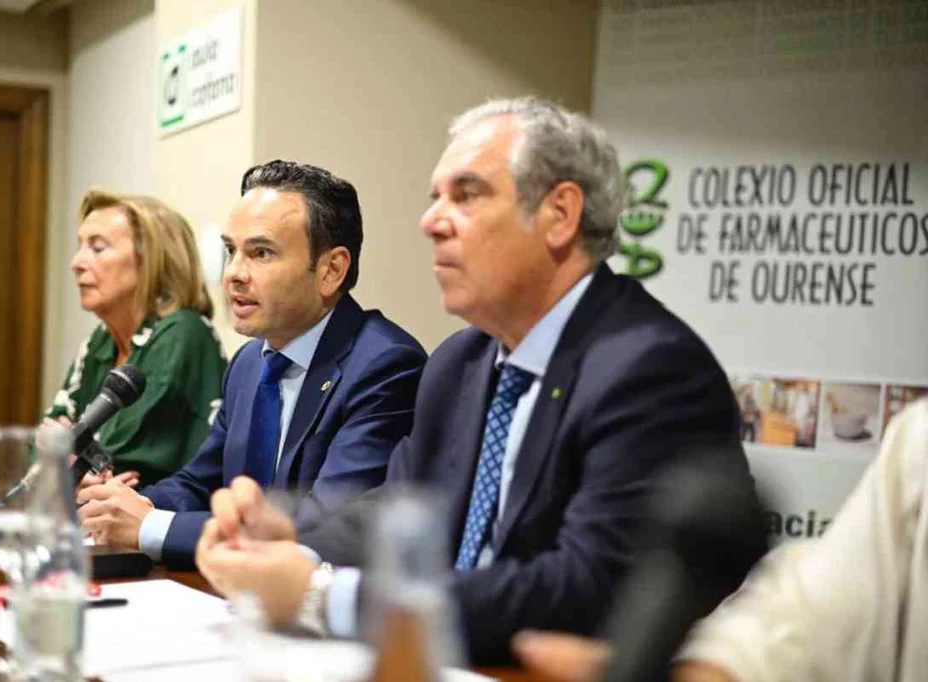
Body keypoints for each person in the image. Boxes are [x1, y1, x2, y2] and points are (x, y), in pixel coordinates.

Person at [192, 97, 749, 665]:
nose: (430, 221)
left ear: (560, 214)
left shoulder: (651, 370)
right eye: (436, 197)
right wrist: (286, 534)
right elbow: (397, 510)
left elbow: (588, 588)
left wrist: (326, 596)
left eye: (467, 194)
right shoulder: (461, 361)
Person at [77, 161, 427, 567]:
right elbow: (199, 484)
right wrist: (118, 506)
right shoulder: (248, 362)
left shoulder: (385, 365)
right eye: (231, 251)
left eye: (261, 253)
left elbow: (322, 524)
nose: (233, 275)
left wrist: (152, 526)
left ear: (331, 270)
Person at [514, 398, 928, 682]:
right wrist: (682, 669)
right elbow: (806, 632)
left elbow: (578, 572)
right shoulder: (918, 443)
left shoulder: (643, 356)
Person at [44, 189, 226, 488]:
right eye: (80, 246)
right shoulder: (99, 342)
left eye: (98, 248)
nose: (76, 262)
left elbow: (120, 463)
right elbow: (41, 449)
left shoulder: (183, 334)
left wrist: (67, 461)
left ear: (151, 260)